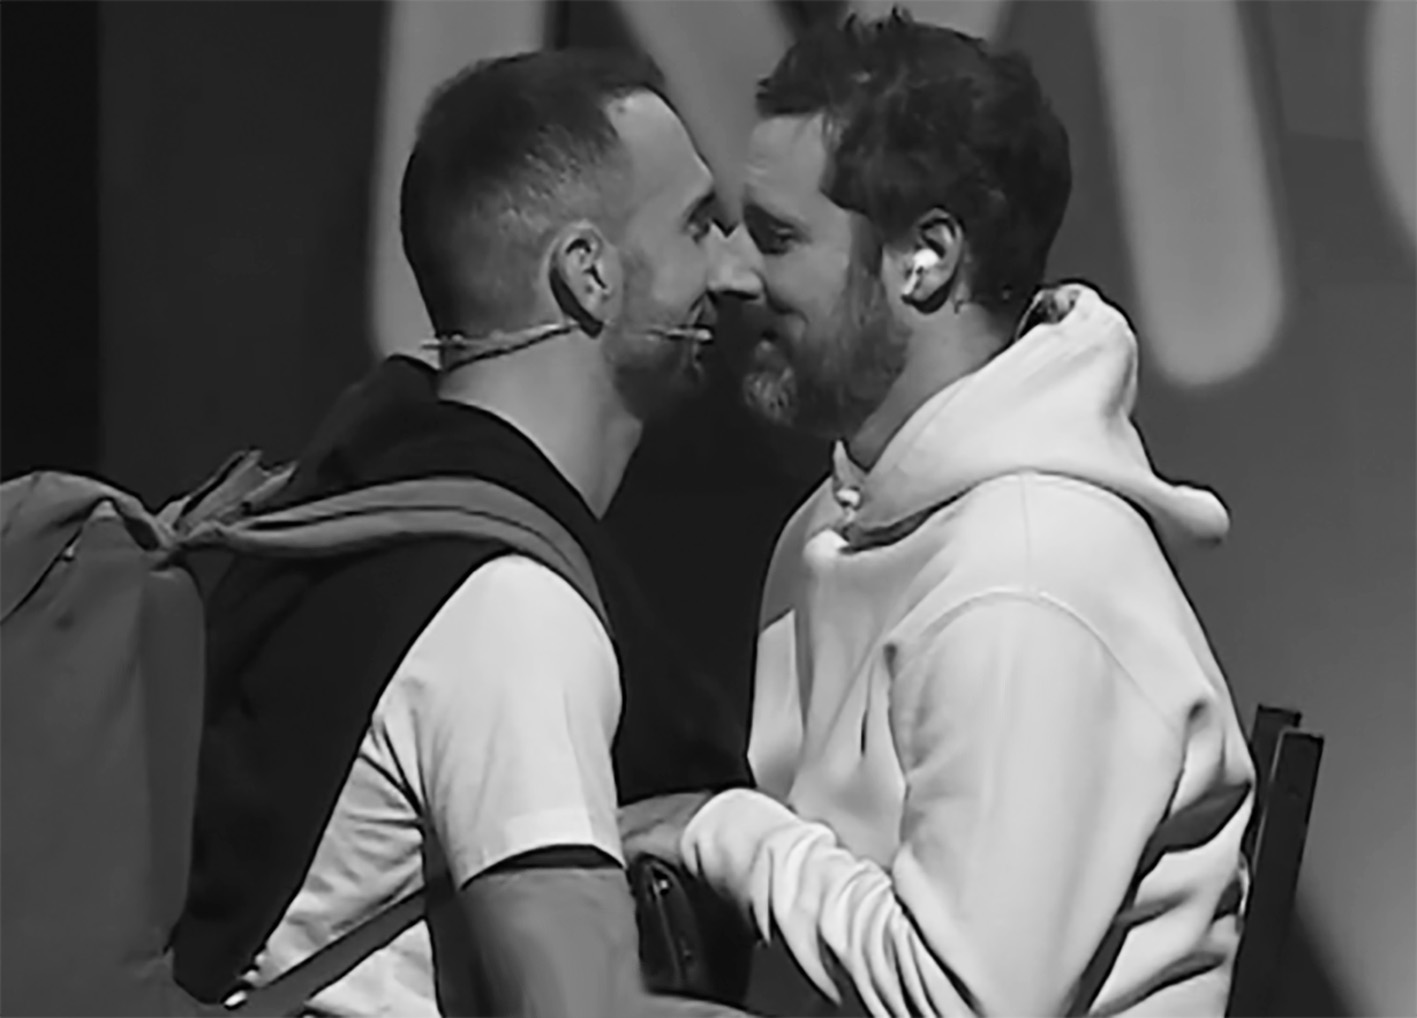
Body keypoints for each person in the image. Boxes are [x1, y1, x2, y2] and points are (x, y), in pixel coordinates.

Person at [622, 12, 1256, 1017]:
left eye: (777, 237)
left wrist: (724, 834)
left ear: (925, 257)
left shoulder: (1029, 580)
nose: (731, 273)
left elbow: (963, 998)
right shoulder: (832, 524)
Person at [172, 48, 759, 1017]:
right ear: (588, 274)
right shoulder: (506, 606)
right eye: (698, 223)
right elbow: (579, 1011)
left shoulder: (363, 511)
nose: (735, 271)